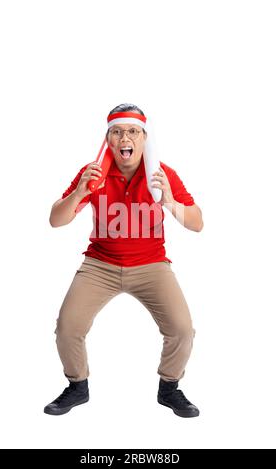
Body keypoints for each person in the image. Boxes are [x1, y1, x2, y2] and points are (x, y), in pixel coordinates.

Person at [44, 103, 204, 417]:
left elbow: (197, 223)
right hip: (100, 264)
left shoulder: (162, 173)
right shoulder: (93, 173)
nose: (124, 138)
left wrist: (170, 202)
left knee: (182, 329)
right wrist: (78, 193)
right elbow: (55, 220)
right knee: (67, 326)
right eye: (116, 132)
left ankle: (169, 388)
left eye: (132, 131)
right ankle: (78, 386)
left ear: (144, 138)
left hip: (151, 264)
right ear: (108, 140)